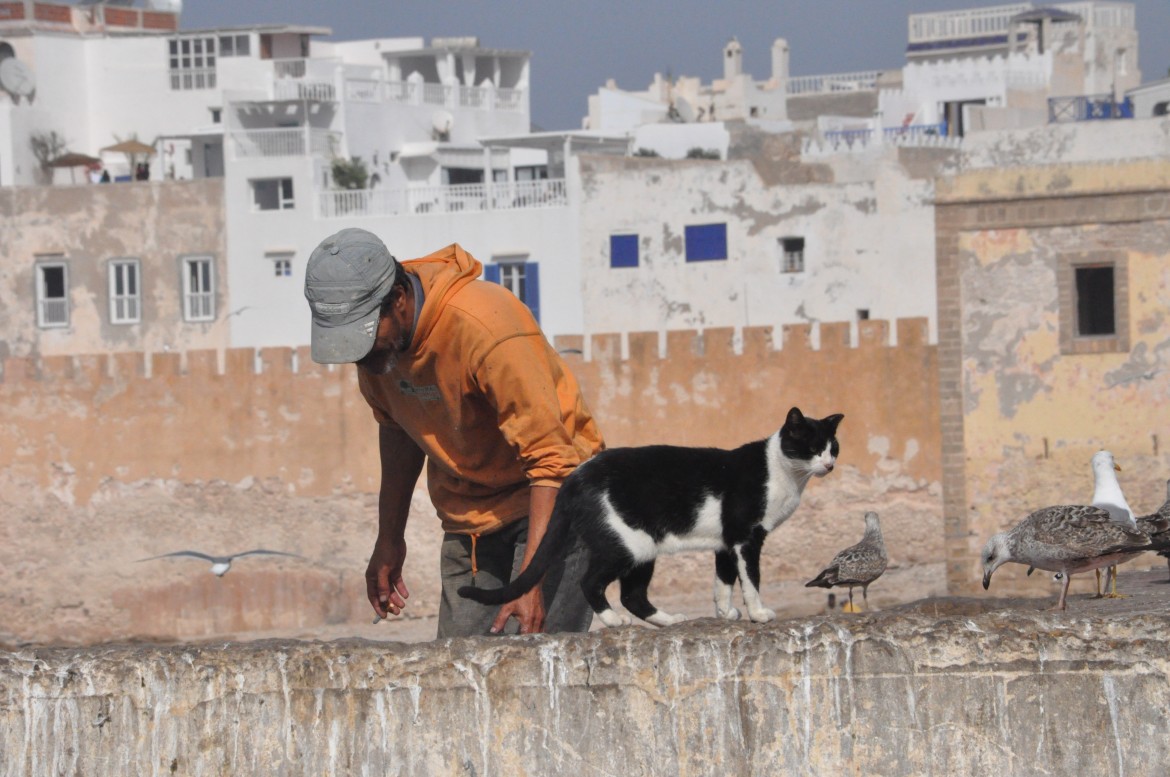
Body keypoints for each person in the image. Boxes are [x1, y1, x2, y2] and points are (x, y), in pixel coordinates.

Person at [304, 228, 604, 637]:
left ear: (398, 300)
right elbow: (398, 430)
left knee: (539, 669)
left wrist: (531, 580)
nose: (359, 354)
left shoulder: (486, 326)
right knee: (461, 674)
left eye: (365, 337)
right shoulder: (378, 356)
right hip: (471, 523)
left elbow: (552, 459)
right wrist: (389, 540)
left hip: (557, 503)